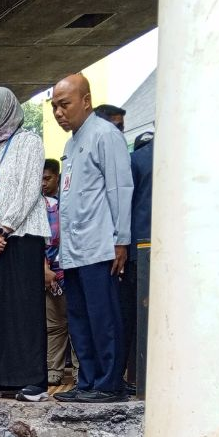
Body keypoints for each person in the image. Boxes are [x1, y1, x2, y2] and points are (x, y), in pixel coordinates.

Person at [50, 73, 133, 403]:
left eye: (64, 104)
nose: (58, 112)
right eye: (54, 106)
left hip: (101, 248)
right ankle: (87, 382)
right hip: (74, 251)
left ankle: (108, 383)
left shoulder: (105, 135)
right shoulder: (71, 144)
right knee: (80, 321)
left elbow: (119, 188)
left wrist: (121, 239)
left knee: (103, 319)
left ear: (86, 101)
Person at [0, 86, 51, 402]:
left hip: (19, 236)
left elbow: (30, 189)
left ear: (3, 108)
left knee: (22, 308)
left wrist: (3, 230)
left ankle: (32, 380)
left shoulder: (29, 144)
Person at [124, 133, 154, 391]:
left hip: (141, 246)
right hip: (146, 248)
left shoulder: (137, 160)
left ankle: (136, 378)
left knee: (137, 317)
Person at [42, 158, 72, 387]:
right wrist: (44, 268)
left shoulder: (66, 204)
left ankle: (82, 372)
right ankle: (54, 369)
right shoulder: (40, 207)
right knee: (54, 325)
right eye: (39, 179)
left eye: (48, 178)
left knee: (77, 322)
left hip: (71, 268)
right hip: (48, 270)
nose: (43, 183)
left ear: (58, 178)